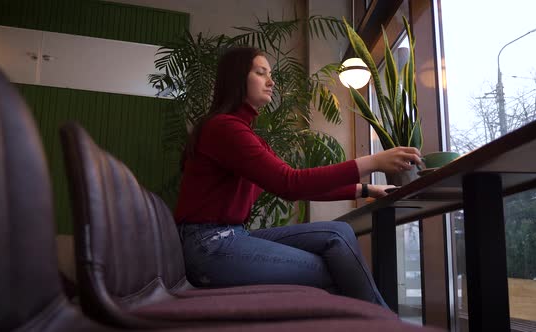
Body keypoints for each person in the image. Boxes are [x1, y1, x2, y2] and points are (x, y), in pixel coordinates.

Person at [174, 47, 423, 308]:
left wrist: (365, 189)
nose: (271, 82)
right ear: (237, 80)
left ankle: (379, 321)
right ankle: (384, 324)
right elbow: (290, 184)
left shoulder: (242, 134)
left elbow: (297, 185)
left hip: (231, 236)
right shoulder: (224, 129)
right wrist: (372, 161)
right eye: (261, 73)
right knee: (334, 269)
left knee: (338, 232)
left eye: (270, 74)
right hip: (209, 247)